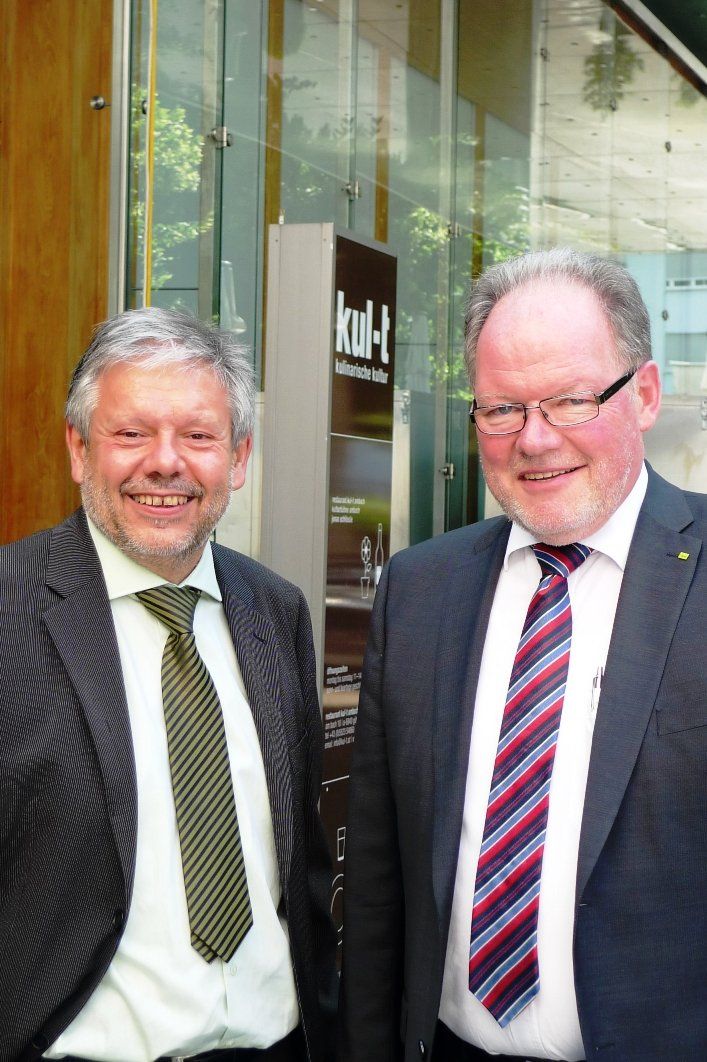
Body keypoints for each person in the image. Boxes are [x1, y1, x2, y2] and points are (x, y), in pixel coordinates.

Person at [339, 248, 706, 1062]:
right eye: (502, 409)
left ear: (644, 395)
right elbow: (376, 876)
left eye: (571, 400)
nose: (534, 440)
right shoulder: (420, 590)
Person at [0, 308, 337, 1062]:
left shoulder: (275, 611)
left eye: (198, 436)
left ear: (238, 457)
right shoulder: (9, 610)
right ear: (78, 448)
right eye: (131, 433)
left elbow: (304, 866)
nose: (165, 463)